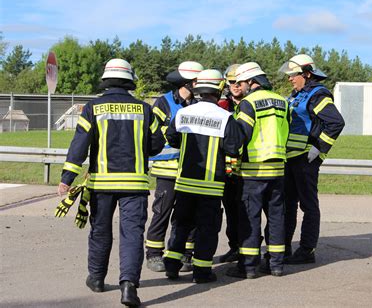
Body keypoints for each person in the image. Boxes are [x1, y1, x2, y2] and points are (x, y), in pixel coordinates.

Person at [57, 58, 165, 307]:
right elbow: (157, 145)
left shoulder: (93, 108)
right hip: (135, 185)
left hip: (101, 185)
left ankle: (96, 278)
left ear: (106, 80)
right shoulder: (144, 109)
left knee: (100, 231)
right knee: (132, 235)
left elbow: (80, 145)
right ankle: (128, 287)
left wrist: (67, 178)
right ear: (129, 81)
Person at [162, 69, 244, 283]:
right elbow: (234, 148)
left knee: (180, 225)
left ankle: (171, 266)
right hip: (211, 186)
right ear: (219, 90)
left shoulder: (183, 113)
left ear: (198, 89)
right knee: (207, 230)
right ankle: (201, 273)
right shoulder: (225, 117)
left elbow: (171, 138)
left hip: (185, 183)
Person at [225, 62, 290, 279]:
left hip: (253, 170)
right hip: (278, 169)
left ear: (251, 82)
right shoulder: (283, 101)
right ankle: (276, 264)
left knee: (249, 218)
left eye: (240, 82)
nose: (238, 86)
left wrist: (230, 159)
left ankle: (249, 267)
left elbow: (240, 136)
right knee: (276, 217)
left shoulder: (248, 103)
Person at [278, 54, 345, 264]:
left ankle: (307, 250)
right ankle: (284, 248)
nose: (290, 79)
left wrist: (319, 147)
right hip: (291, 157)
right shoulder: (297, 95)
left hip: (306, 158)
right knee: (286, 205)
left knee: (308, 205)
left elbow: (335, 123)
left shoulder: (317, 95)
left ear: (307, 74)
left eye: (294, 75)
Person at [145, 61, 204, 273]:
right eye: (198, 81)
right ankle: (153, 254)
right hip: (166, 169)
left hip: (188, 170)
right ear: (188, 82)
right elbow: (152, 134)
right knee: (162, 211)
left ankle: (185, 254)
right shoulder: (164, 103)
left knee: (187, 215)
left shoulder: (198, 105)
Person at [218, 64, 244, 263]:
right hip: (228, 164)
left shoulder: (252, 103)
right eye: (232, 82)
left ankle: (249, 247)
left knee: (248, 209)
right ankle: (234, 246)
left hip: (251, 165)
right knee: (231, 207)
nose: (236, 86)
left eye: (239, 82)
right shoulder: (221, 106)